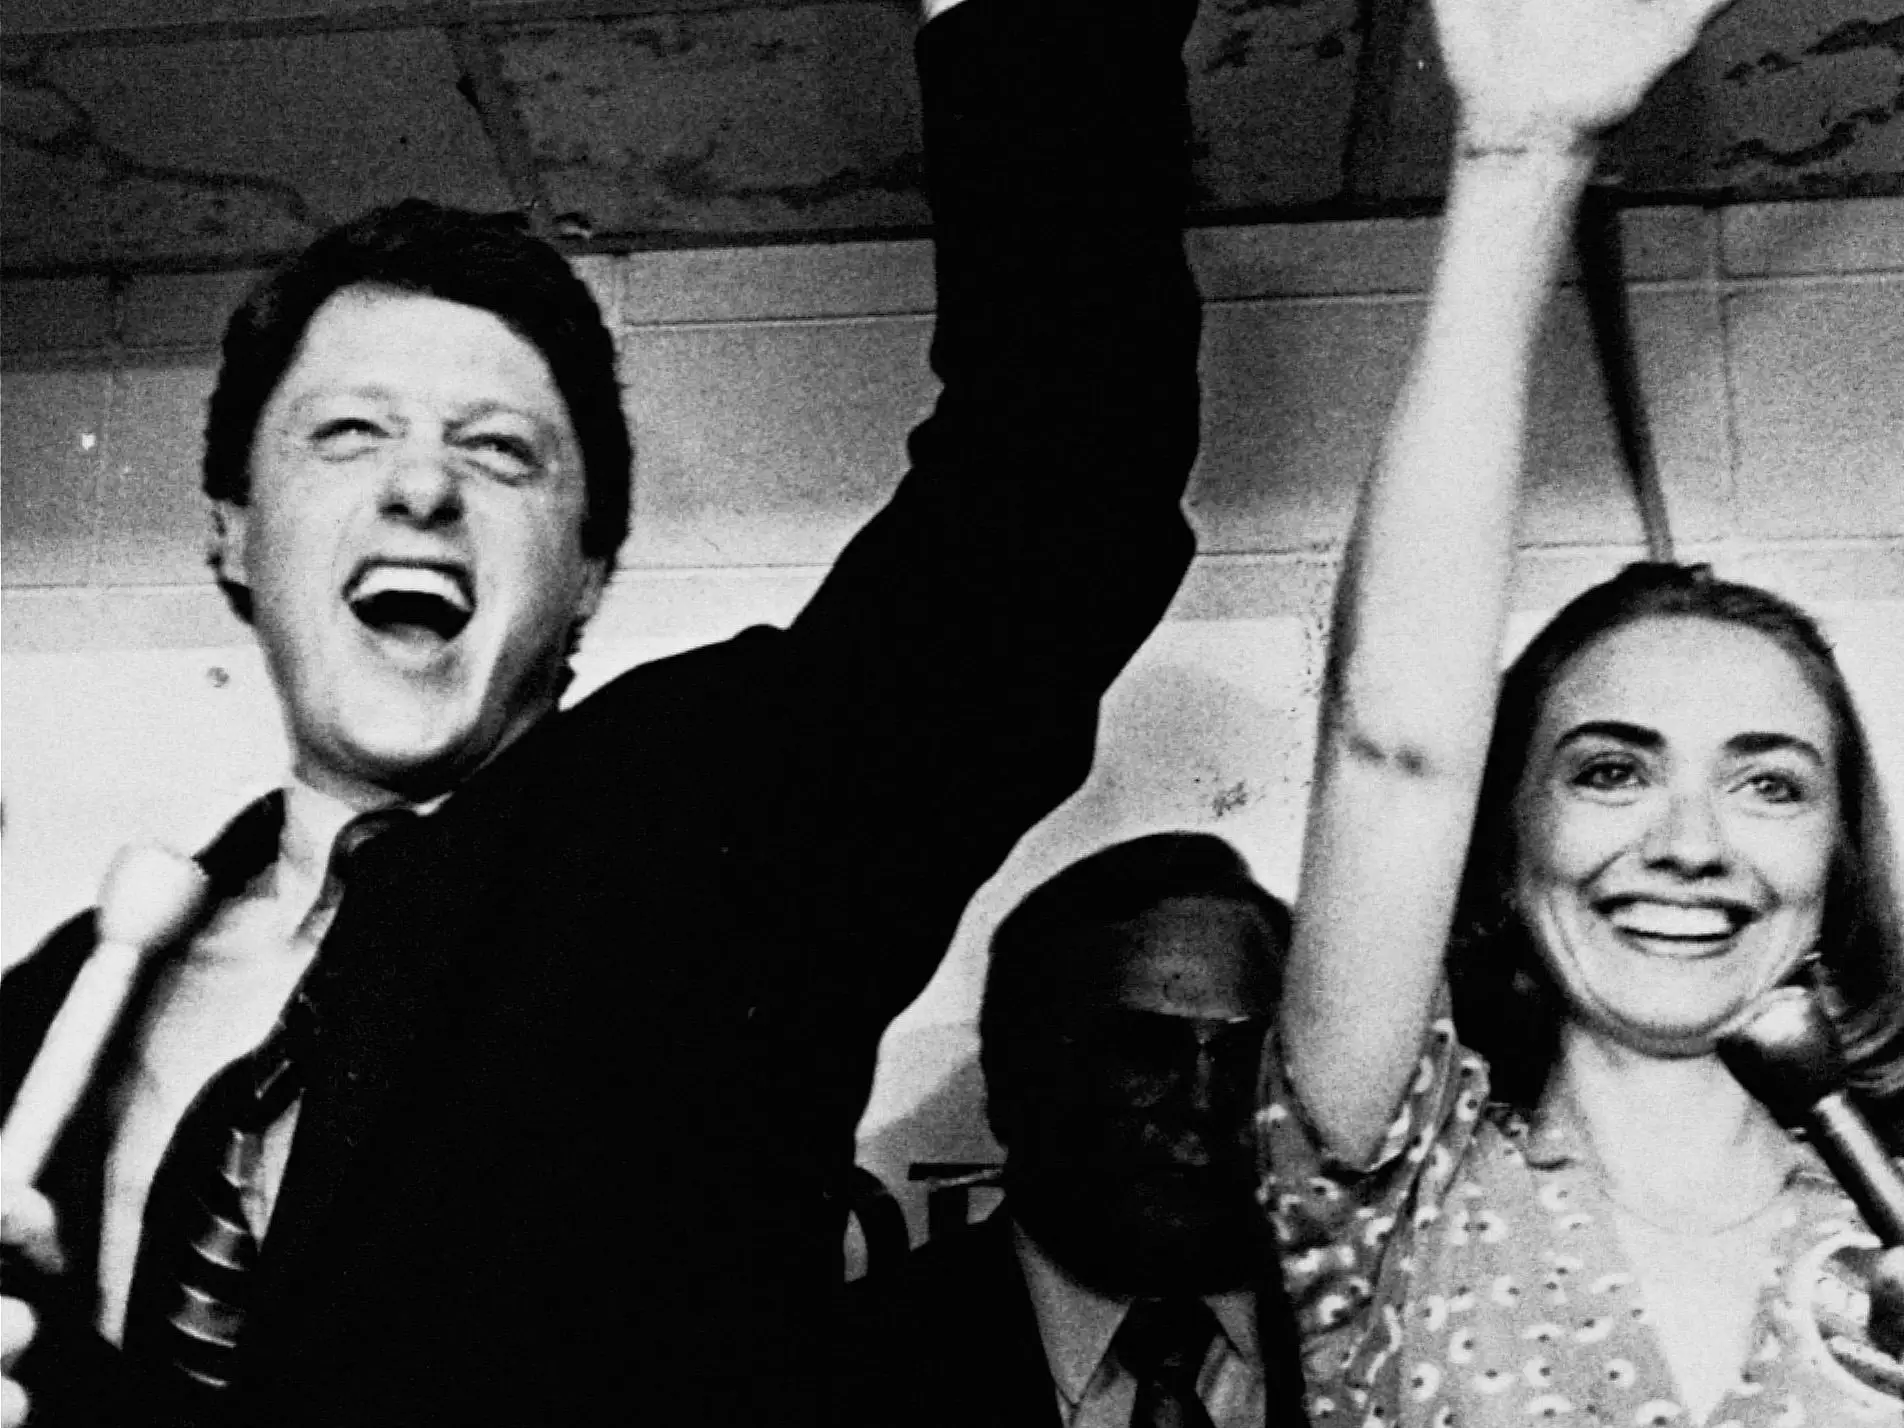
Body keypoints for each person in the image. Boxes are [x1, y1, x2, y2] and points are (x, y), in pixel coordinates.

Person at [0, 0, 1209, 1419]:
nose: (422, 487)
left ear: (587, 577)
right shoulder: (65, 998)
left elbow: (1058, 475)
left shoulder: (713, 838)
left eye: (501, 452)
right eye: (348, 432)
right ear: (233, 535)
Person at [1256, 0, 1904, 1422]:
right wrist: (1520, 158)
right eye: (1613, 770)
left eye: (1772, 782)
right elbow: (1392, 752)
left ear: (1840, 857)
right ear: (1507, 838)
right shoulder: (1390, 1185)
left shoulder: (1890, 1227)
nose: (1693, 842)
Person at [840, 833, 1310, 1427]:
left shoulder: (1380, 1348)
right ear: (1013, 1078)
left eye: (1247, 1055)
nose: (1204, 1100)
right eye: (1138, 1051)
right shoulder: (852, 1373)